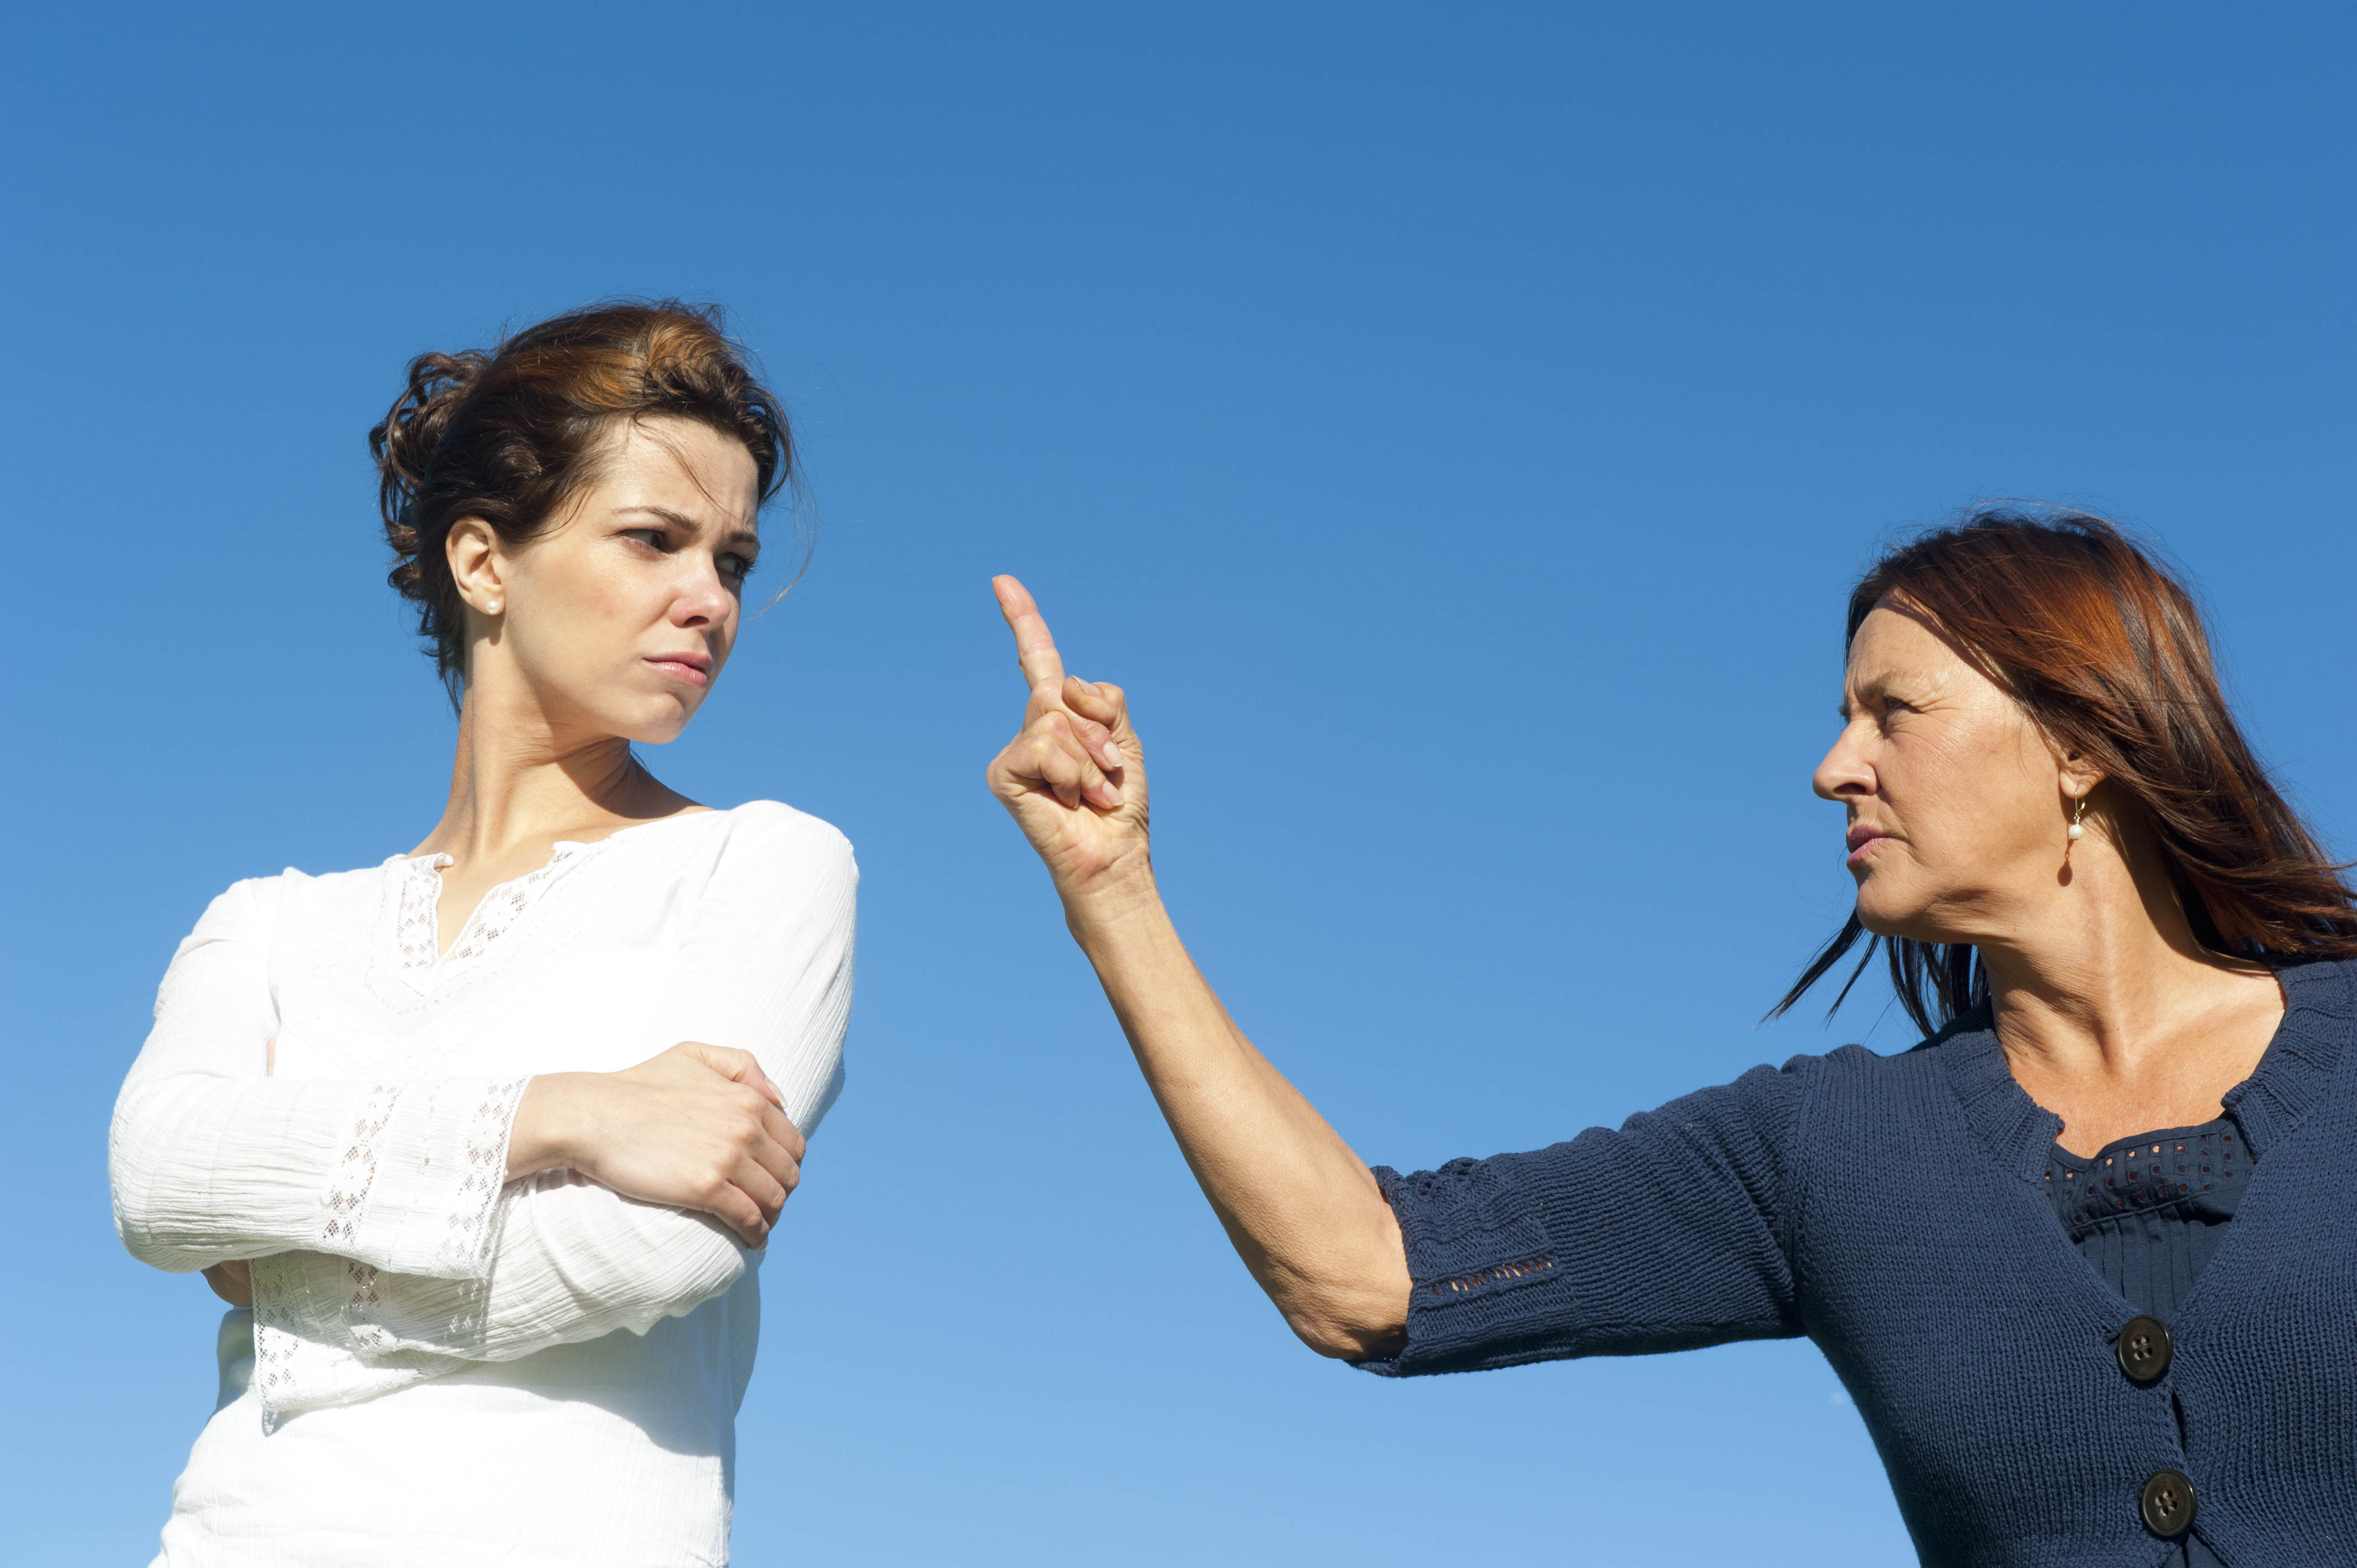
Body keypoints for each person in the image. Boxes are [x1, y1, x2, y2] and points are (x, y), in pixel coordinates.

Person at [984, 510, 2357, 1567]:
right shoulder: (1824, 1151)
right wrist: (1113, 894)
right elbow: (1363, 1272)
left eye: (1893, 712)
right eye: (1840, 719)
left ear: (2079, 740)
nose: (1834, 766)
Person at [111, 301, 856, 1567]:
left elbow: (652, 1247)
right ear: (482, 563)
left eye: (729, 559)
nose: (708, 602)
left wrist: (281, 1269)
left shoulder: (765, 863)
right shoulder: (271, 922)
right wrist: (554, 1113)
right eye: (653, 540)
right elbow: (161, 1177)